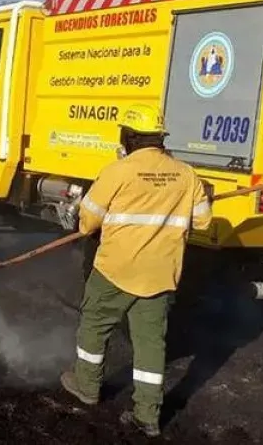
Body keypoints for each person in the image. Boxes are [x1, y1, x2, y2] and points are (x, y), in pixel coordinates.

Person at [59, 103, 213, 437]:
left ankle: (86, 387)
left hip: (115, 269)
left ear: (128, 137)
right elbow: (203, 220)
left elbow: (86, 223)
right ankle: (148, 414)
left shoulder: (117, 171)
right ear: (160, 139)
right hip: (160, 274)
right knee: (150, 344)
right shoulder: (187, 175)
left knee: (94, 327)